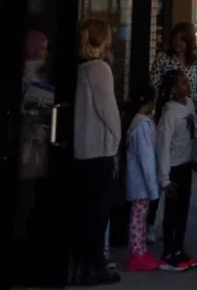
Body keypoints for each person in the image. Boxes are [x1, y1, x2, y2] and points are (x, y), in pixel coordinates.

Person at [73, 18, 123, 286]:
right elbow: (109, 111)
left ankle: (83, 263)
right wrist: (117, 139)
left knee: (84, 211)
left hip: (81, 151)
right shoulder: (100, 70)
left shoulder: (80, 69)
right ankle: (95, 265)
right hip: (99, 150)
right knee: (98, 212)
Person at [157, 69, 197, 270]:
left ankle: (179, 248)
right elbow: (163, 144)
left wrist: (195, 158)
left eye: (187, 81)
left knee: (183, 210)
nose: (187, 85)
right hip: (173, 167)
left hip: (186, 164)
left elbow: (193, 134)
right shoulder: (169, 112)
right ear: (173, 89)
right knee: (172, 212)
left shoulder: (190, 104)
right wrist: (164, 178)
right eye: (182, 83)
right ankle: (168, 251)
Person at [122, 87, 163, 273]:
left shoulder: (136, 123)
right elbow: (147, 158)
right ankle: (137, 254)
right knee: (138, 219)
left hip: (138, 182)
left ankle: (141, 251)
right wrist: (153, 187)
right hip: (141, 183)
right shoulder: (143, 126)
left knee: (139, 218)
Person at [151, 21, 197, 105]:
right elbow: (154, 85)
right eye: (175, 37)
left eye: (182, 39)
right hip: (167, 107)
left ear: (189, 42)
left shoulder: (195, 62)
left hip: (190, 108)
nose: (177, 42)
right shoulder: (162, 58)